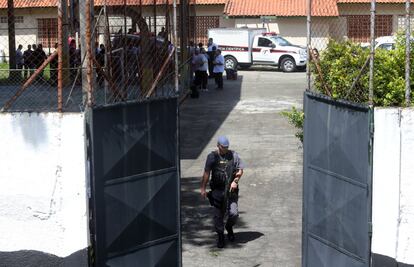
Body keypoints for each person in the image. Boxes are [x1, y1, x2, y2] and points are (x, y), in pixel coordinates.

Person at [200, 136, 244, 248]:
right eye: (224, 147)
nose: (226, 149)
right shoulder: (212, 157)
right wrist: (203, 188)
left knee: (233, 213)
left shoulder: (233, 155)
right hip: (217, 191)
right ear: (218, 145)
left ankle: (229, 227)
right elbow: (206, 173)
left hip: (231, 190)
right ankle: (220, 236)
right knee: (218, 216)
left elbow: (240, 170)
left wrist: (236, 181)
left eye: (227, 147)